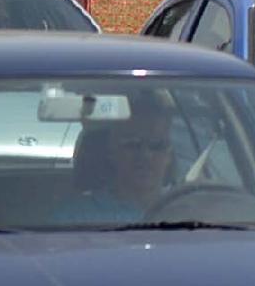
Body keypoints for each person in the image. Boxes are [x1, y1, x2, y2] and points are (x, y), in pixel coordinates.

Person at [53, 95, 176, 224]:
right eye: (132, 143)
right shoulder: (74, 216)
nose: (145, 155)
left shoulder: (188, 209)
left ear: (169, 154)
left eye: (156, 144)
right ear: (111, 151)